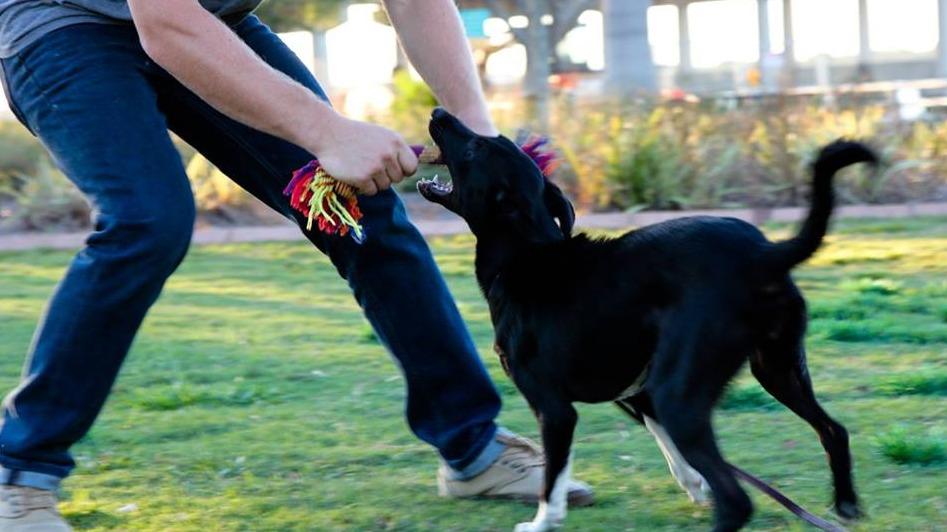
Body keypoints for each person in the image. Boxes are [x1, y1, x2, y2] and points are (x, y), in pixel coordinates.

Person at [0, 0, 593, 529]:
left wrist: (481, 141)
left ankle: (475, 452)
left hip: (214, 22)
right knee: (148, 220)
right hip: (66, 22)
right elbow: (166, 22)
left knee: (363, 214)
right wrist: (327, 131)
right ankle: (20, 474)